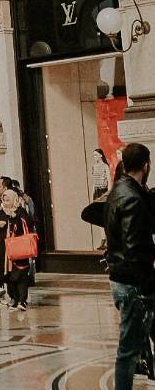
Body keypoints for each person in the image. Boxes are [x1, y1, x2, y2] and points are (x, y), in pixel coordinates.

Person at [104, 141, 155, 390]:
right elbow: (135, 247)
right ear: (146, 165)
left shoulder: (118, 191)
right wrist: (147, 285)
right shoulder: (132, 197)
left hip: (122, 277)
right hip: (133, 282)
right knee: (128, 350)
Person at [0, 189, 34, 310]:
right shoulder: (2, 212)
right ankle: (14, 298)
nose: (5, 203)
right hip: (5, 250)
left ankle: (23, 300)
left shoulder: (20, 211)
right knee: (8, 275)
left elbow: (28, 225)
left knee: (20, 275)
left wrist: (15, 217)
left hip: (19, 249)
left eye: (8, 200)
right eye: (4, 200)